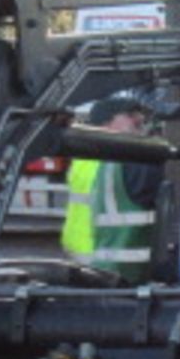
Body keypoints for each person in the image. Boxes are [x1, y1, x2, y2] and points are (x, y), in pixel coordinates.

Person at [61, 94, 162, 280]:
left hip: (89, 257)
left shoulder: (84, 158)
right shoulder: (124, 161)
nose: (139, 119)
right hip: (112, 262)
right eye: (129, 115)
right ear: (106, 123)